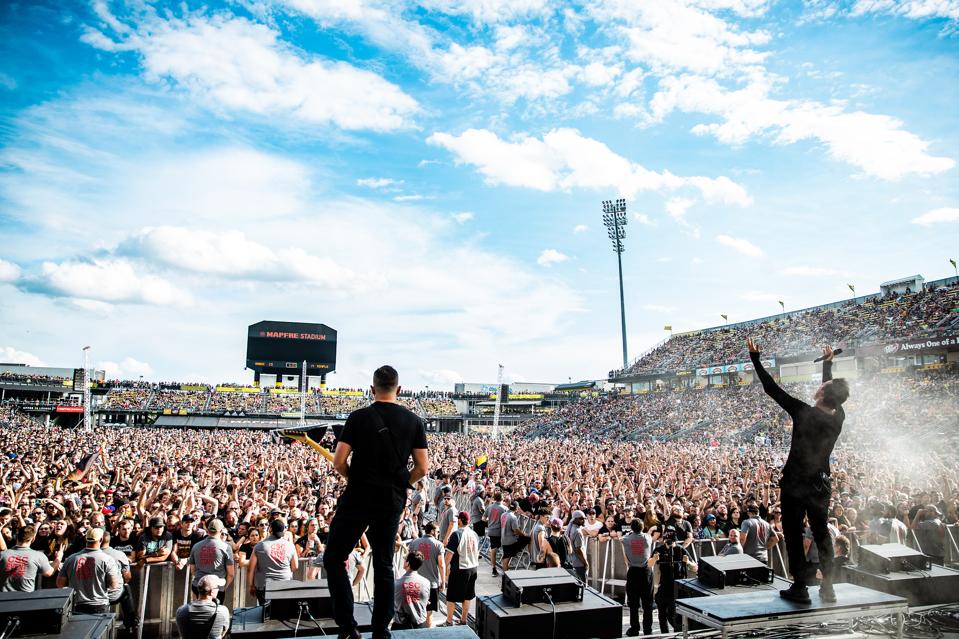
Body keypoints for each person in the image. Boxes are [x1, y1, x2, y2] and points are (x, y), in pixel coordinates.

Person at [324, 365, 429, 639]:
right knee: (383, 563)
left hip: (358, 495)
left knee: (335, 557)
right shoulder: (414, 421)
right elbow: (422, 468)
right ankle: (381, 629)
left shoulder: (358, 418)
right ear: (400, 389)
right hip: (390, 499)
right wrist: (403, 484)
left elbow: (338, 462)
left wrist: (353, 478)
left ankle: (347, 627)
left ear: (372, 389)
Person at [748, 338, 848, 604]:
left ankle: (800, 586)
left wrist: (755, 359)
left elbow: (771, 388)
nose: (820, 385)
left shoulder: (804, 412)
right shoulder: (838, 417)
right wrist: (828, 365)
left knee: (793, 532)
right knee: (822, 532)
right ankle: (828, 586)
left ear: (822, 394)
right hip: (821, 484)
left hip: (795, 484)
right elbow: (833, 395)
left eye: (823, 385)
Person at [57, 528, 121, 614]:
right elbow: (114, 585)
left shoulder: (71, 559)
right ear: (101, 540)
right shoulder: (107, 559)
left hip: (76, 605)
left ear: (85, 539)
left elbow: (60, 584)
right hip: (99, 604)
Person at [649, 526, 695, 635]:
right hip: (662, 586)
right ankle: (664, 635)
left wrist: (687, 562)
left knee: (673, 614)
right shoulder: (659, 549)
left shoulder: (680, 549)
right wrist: (654, 559)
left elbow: (695, 567)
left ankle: (677, 633)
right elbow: (649, 564)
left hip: (676, 588)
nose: (669, 543)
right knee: (662, 615)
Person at [249, 519, 297, 605]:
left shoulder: (260, 546)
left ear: (270, 529)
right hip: (284, 583)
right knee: (281, 612)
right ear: (283, 530)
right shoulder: (290, 545)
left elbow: (251, 568)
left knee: (265, 614)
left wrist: (251, 585)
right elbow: (295, 566)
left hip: (264, 584)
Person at [444, 512, 479, 627]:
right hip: (473, 568)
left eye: (458, 519)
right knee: (467, 596)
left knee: (451, 596)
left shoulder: (456, 534)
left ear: (460, 520)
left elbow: (449, 556)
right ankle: (463, 620)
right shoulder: (474, 534)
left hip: (460, 568)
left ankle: (449, 621)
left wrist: (443, 571)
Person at [407, 522, 445, 628]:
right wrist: (443, 581)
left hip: (414, 582)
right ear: (432, 531)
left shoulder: (414, 543)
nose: (438, 534)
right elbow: (441, 565)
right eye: (437, 531)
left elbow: (407, 562)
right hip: (431, 584)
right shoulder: (438, 544)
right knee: (429, 613)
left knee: (414, 610)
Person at [621, 519, 654, 637]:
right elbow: (650, 534)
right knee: (647, 603)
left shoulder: (626, 539)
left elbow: (621, 538)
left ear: (631, 528)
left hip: (633, 571)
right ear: (642, 527)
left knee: (633, 604)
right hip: (646, 571)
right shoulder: (647, 538)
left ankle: (634, 628)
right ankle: (648, 629)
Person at [189, 519, 235, 603]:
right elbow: (231, 574)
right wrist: (223, 587)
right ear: (221, 531)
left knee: (197, 612)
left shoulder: (196, 546)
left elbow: (192, 570)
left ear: (208, 530)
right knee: (215, 614)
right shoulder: (226, 547)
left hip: (198, 585)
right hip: (216, 588)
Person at [100, 530, 138, 630]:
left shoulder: (83, 556)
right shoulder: (119, 554)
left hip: (90, 596)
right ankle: (130, 623)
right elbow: (127, 577)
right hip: (112, 595)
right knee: (126, 587)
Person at [0, 525, 53, 592]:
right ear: (33, 539)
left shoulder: (2, 554)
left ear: (17, 537)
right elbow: (49, 573)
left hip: (3, 598)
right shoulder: (38, 555)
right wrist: (58, 559)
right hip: (26, 598)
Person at [175, 575, 230, 639]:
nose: (218, 589)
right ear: (212, 592)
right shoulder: (223, 611)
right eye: (217, 587)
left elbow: (182, 632)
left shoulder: (181, 611)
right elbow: (223, 631)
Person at [392, 551, 430, 630]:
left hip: (400, 626)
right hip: (420, 625)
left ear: (408, 563)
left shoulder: (396, 584)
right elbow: (425, 601)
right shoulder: (426, 582)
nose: (403, 560)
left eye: (404, 558)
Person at [483, 492, 506, 576]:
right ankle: (505, 570)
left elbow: (483, 518)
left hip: (491, 530)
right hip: (501, 531)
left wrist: (489, 521)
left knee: (493, 550)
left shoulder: (490, 507)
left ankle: (494, 568)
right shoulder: (504, 508)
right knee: (504, 550)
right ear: (502, 498)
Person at [566, 510, 589, 582]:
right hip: (578, 564)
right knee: (581, 586)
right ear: (575, 519)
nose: (584, 520)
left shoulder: (570, 529)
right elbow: (578, 550)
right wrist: (585, 563)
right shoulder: (577, 531)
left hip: (571, 562)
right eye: (581, 519)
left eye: (584, 518)